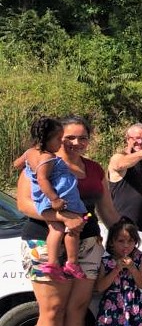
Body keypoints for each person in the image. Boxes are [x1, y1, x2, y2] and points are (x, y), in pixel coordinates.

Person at [18, 115, 121, 326]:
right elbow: (24, 203)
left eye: (82, 137)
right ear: (58, 137)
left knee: (77, 310)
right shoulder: (41, 161)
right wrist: (60, 216)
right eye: (70, 137)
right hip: (44, 239)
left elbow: (108, 211)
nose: (76, 143)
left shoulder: (94, 169)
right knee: (52, 310)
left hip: (86, 244)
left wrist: (125, 239)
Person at [22, 117, 89, 280]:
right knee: (71, 229)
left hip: (60, 211)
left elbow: (18, 163)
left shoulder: (32, 154)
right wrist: (59, 208)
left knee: (57, 230)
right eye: (65, 138)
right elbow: (26, 200)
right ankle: (66, 262)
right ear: (48, 138)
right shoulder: (46, 160)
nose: (75, 143)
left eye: (83, 138)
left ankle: (56, 263)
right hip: (50, 218)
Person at [108, 123, 142, 233]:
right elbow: (119, 164)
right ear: (128, 139)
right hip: (124, 226)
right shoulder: (119, 157)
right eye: (137, 138)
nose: (140, 142)